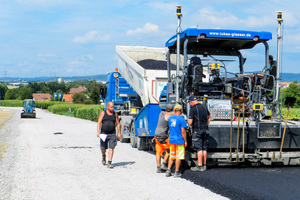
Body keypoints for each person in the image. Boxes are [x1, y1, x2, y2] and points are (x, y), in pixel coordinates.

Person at [188, 95, 211, 172]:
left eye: (189, 103)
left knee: (199, 148)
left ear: (191, 102)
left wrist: (189, 123)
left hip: (198, 130)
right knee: (204, 148)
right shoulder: (204, 107)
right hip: (206, 129)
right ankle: (204, 165)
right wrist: (206, 123)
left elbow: (190, 122)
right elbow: (209, 116)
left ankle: (200, 165)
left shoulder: (193, 109)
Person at [97, 102, 121, 168]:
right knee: (103, 148)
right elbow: (99, 123)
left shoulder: (115, 114)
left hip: (112, 134)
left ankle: (109, 162)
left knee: (111, 148)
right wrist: (98, 132)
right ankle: (103, 156)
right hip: (103, 134)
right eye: (111, 107)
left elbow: (118, 124)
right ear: (107, 107)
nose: (113, 108)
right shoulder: (103, 113)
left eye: (113, 107)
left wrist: (119, 133)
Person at [165, 104, 187, 178]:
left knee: (172, 156)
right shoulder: (181, 119)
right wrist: (185, 141)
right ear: (181, 110)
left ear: (174, 110)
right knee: (178, 157)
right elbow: (183, 131)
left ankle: (168, 171)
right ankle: (176, 172)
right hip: (179, 141)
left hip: (171, 140)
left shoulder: (170, 118)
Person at [154, 104, 173, 173]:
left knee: (158, 152)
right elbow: (174, 114)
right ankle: (164, 164)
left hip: (156, 135)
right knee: (169, 150)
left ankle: (158, 167)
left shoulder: (161, 113)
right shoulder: (168, 115)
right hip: (163, 136)